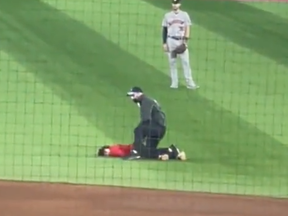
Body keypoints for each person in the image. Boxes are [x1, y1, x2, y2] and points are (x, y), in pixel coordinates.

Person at [123, 86, 186, 160]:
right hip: (159, 128)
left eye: (133, 96)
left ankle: (136, 152)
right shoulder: (147, 101)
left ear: (139, 94)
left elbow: (145, 120)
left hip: (156, 127)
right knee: (148, 152)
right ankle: (172, 151)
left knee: (138, 130)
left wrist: (137, 142)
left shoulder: (145, 101)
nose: (132, 98)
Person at [162, 0, 199, 90]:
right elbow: (164, 29)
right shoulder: (167, 15)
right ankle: (174, 83)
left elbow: (188, 27)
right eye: (173, 3)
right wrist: (164, 43)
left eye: (176, 3)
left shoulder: (184, 15)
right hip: (170, 41)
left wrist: (185, 42)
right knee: (172, 62)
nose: (175, 5)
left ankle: (190, 83)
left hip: (181, 41)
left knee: (185, 62)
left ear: (180, 4)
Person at [97, 143, 186, 161]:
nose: (106, 153)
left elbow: (121, 153)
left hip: (135, 148)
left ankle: (171, 151)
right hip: (135, 147)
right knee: (150, 153)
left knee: (148, 154)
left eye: (105, 151)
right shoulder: (113, 148)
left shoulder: (113, 149)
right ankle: (171, 152)